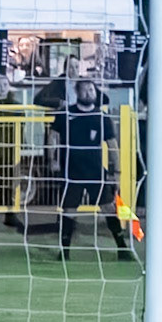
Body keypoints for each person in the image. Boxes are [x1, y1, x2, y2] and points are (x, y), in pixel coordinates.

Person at [49, 78, 134, 261]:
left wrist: (116, 171)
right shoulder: (65, 113)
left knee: (108, 207)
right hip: (71, 171)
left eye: (91, 90)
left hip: (95, 171)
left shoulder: (102, 117)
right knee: (69, 209)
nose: (89, 93)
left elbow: (112, 145)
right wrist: (52, 159)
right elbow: (53, 136)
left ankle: (122, 248)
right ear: (77, 92)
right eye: (85, 90)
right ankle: (64, 251)